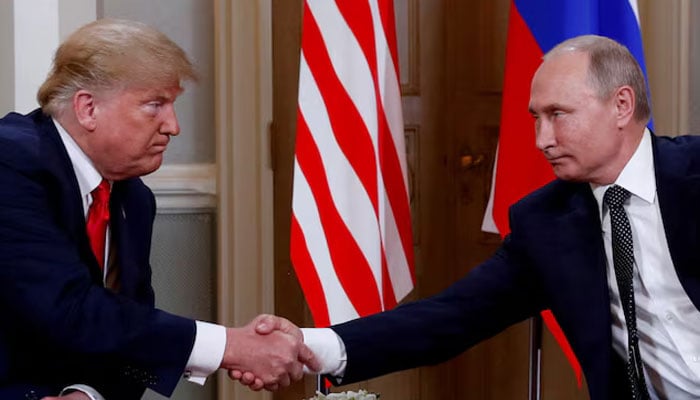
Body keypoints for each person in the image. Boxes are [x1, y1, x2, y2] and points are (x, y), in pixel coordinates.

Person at [237, 35, 700, 399]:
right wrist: (312, 345)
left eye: (558, 114)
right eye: (536, 118)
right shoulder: (547, 221)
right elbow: (452, 316)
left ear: (622, 105)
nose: (542, 139)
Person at [0, 19, 319, 400]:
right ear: (87, 108)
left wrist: (87, 395)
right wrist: (231, 346)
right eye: (155, 105)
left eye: (173, 104)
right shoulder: (11, 162)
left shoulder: (133, 199)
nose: (174, 126)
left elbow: (128, 334)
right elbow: (68, 306)